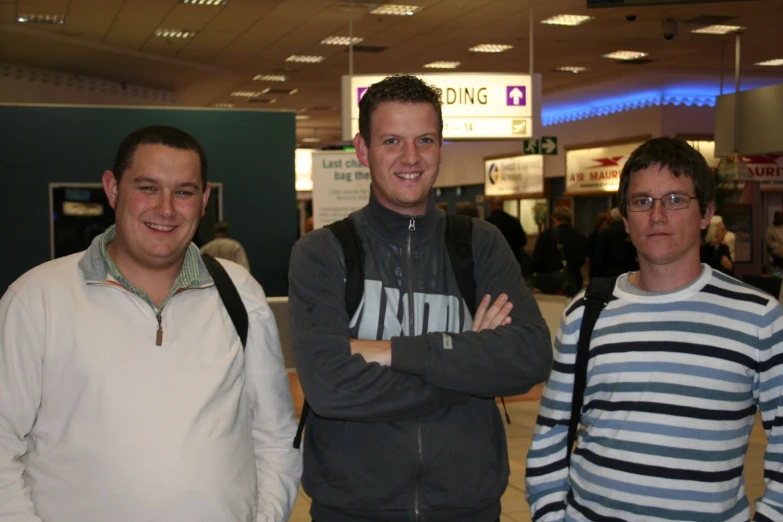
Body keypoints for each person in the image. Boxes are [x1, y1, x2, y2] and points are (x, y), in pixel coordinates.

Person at [0, 125, 301, 522]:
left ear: (204, 198)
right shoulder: (36, 299)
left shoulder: (238, 293)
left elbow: (275, 434)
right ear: (112, 189)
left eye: (184, 191)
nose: (165, 209)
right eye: (147, 187)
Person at [289, 74, 552, 522]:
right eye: (392, 140)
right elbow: (330, 388)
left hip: (467, 507)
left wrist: (393, 353)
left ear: (441, 148)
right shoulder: (322, 252)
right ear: (362, 150)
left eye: (425, 140)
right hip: (352, 509)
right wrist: (468, 364)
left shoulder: (480, 244)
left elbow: (529, 357)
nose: (410, 158)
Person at [525, 137, 783, 521]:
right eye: (642, 201)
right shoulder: (586, 312)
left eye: (676, 200)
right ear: (626, 219)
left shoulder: (758, 316)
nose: (657, 215)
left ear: (705, 213)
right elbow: (552, 432)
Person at [531, 206, 587, 293]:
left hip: (550, 281)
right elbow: (582, 259)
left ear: (555, 219)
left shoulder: (546, 235)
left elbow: (537, 259)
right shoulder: (580, 236)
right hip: (574, 280)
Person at [591, 206, 639, 277]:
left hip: (610, 274)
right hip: (630, 272)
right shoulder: (632, 232)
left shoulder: (606, 233)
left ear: (612, 218)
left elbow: (599, 258)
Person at [486, 196, 527, 267]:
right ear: (502, 205)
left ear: (491, 206)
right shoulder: (513, 221)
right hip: (513, 261)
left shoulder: (487, 223)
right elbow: (523, 241)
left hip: (493, 263)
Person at [586, 211, 611, 279]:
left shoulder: (608, 235)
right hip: (595, 267)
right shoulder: (592, 236)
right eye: (605, 224)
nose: (607, 226)